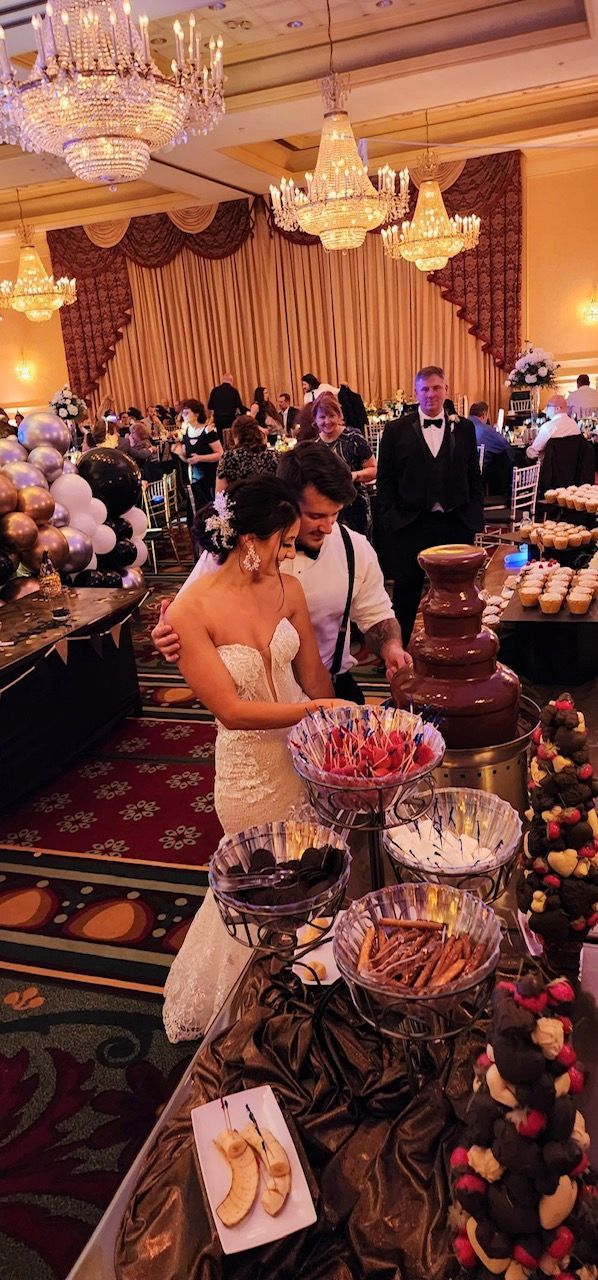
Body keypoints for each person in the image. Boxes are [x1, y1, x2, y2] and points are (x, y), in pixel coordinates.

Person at [162, 474, 343, 1038]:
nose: (291, 553)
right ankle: (255, 1013)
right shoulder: (191, 610)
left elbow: (313, 676)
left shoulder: (289, 589)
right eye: (283, 542)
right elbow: (231, 710)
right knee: (262, 882)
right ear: (249, 541)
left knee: (313, 871)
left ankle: (314, 993)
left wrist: (332, 728)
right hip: (246, 771)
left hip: (300, 756)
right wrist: (311, 713)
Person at [153, 444, 411, 704]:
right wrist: (167, 636)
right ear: (287, 502)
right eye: (316, 515)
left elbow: (376, 615)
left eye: (335, 514)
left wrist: (391, 647)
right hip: (253, 697)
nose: (329, 528)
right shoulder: (235, 550)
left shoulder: (354, 549)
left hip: (327, 684)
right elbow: (186, 615)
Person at [377, 364, 484, 646]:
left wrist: (472, 515)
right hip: (411, 523)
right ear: (416, 393)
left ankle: (461, 643)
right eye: (424, 389)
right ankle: (397, 648)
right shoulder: (395, 430)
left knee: (458, 589)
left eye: (436, 387)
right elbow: (384, 479)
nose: (431, 394)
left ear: (446, 390)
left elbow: (474, 474)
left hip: (455, 521)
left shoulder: (465, 429)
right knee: (406, 590)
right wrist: (391, 517)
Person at [312, 391, 376, 536]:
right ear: (315, 419)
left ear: (339, 416)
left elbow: (373, 469)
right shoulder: (315, 446)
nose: (327, 421)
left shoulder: (353, 437)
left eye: (331, 416)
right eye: (322, 417)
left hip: (356, 506)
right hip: (327, 511)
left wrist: (353, 476)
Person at [172, 398, 223, 506]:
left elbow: (220, 454)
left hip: (211, 477)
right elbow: (190, 460)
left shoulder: (208, 431)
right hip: (195, 479)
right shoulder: (186, 432)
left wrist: (200, 458)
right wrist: (180, 454)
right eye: (183, 413)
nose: (184, 415)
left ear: (197, 414)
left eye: (187, 413)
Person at [215, 415, 278, 492]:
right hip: (270, 502)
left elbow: (219, 494)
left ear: (236, 436)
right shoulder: (273, 455)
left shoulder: (229, 457)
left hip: (239, 503)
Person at [527, 395, 580, 461]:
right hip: (574, 468)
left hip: (551, 469)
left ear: (557, 409)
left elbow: (534, 451)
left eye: (548, 406)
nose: (546, 409)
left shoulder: (548, 427)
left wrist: (528, 450)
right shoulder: (575, 425)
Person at [207, 373, 246, 438]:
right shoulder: (234, 391)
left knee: (220, 438)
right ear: (231, 381)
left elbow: (210, 406)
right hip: (230, 420)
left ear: (222, 380)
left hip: (218, 420)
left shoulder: (215, 391)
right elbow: (240, 406)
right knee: (231, 438)